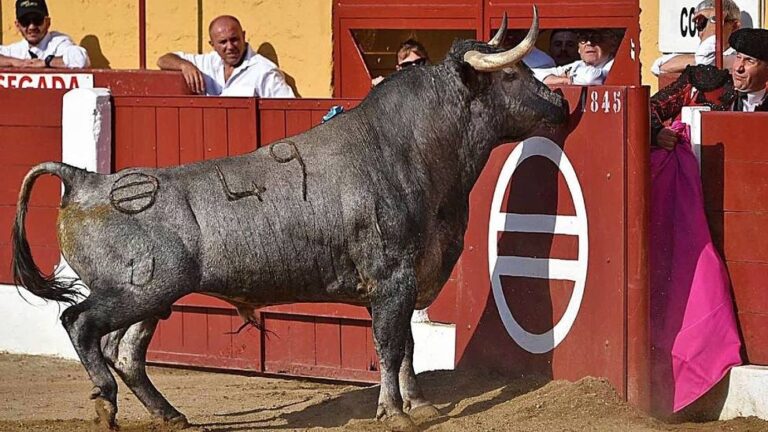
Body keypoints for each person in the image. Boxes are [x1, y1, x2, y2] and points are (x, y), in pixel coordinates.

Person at [650, 28, 768, 149]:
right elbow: (646, 108)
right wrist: (657, 133)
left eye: (750, 61)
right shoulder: (704, 82)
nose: (738, 68)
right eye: (738, 57)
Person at [157, 15, 295, 97]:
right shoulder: (208, 62)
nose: (230, 47)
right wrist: (184, 65)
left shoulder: (264, 71)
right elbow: (163, 60)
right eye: (223, 42)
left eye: (234, 39)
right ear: (213, 45)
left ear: (244, 36)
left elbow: (288, 112)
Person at [652, 0, 741, 75]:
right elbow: (658, 66)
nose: (702, 31)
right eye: (700, 24)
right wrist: (700, 61)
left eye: (713, 21)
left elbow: (705, 58)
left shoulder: (742, 56)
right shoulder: (696, 54)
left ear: (734, 26)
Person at [0, 0, 89, 69]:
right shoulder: (16, 50)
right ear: (17, 25)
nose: (31, 27)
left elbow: (80, 60)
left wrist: (46, 62)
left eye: (37, 20)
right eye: (25, 21)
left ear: (47, 22)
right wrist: (15, 62)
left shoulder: (59, 43)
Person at [533, 29, 620, 85]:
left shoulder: (616, 64)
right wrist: (561, 79)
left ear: (612, 45)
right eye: (583, 39)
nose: (589, 43)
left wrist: (566, 79)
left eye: (596, 38)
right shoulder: (578, 65)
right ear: (579, 49)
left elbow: (590, 78)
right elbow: (535, 74)